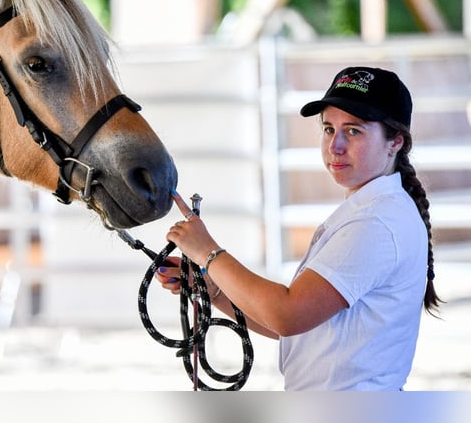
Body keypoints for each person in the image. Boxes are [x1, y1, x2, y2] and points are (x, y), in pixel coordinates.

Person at [157, 66, 441, 390]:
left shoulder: (376, 223)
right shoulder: (370, 211)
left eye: (354, 131)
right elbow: (300, 325)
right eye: (329, 129)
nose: (335, 146)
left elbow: (288, 314)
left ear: (395, 142)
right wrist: (215, 290)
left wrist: (207, 252)